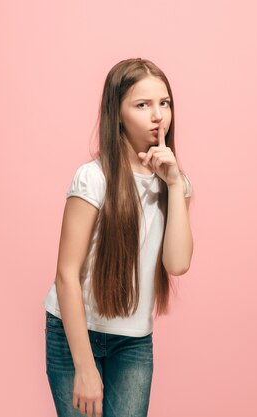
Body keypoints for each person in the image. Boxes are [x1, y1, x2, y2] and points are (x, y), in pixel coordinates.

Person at [42, 58, 193, 417]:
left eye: (164, 103)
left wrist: (174, 183)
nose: (158, 115)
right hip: (74, 333)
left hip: (133, 341)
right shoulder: (93, 179)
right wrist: (84, 367)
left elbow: (177, 263)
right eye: (142, 105)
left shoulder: (175, 182)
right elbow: (66, 275)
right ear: (118, 113)